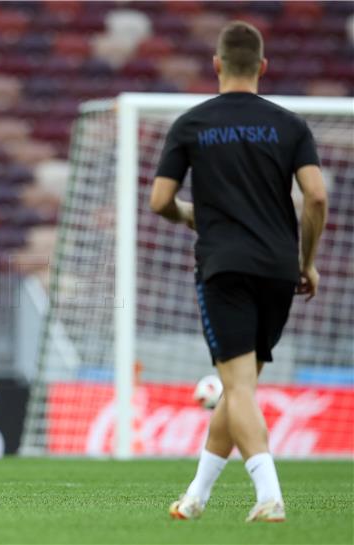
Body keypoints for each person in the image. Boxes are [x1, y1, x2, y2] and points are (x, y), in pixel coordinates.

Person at [150, 21, 327, 522]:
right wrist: (307, 260)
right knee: (239, 388)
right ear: (263, 68)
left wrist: (190, 215)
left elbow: (160, 200)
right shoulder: (291, 125)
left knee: (239, 388)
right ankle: (195, 498)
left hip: (224, 265)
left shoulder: (193, 123)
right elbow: (315, 195)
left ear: (217, 65)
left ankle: (269, 496)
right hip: (278, 268)